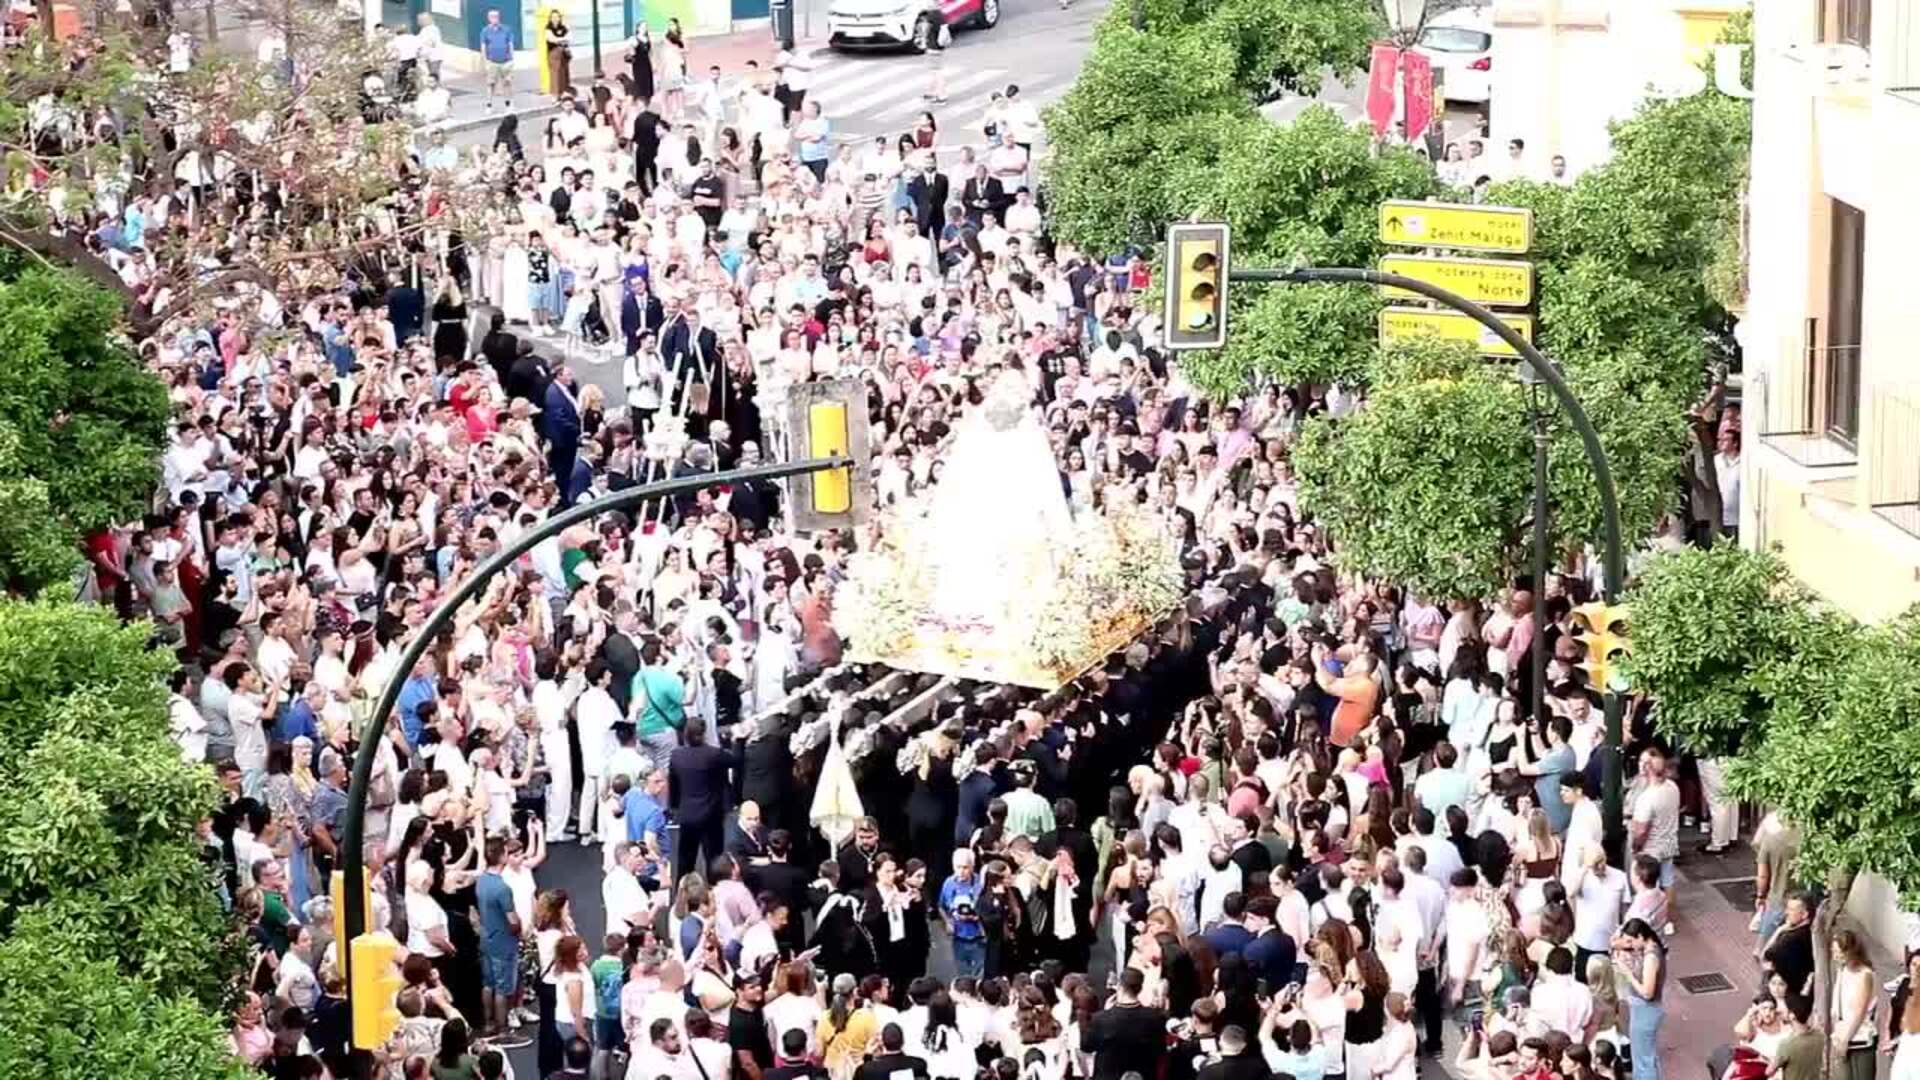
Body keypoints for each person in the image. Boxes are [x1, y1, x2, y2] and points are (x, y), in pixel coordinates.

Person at [1613, 918, 1666, 1080]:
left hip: (1646, 1009)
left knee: (1644, 1058)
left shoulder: (1651, 957)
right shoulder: (1649, 949)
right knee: (1644, 1055)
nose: (1630, 945)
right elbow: (1618, 942)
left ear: (1641, 936)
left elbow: (1647, 992)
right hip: (1644, 1009)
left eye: (1632, 941)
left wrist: (1627, 973)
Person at [544, 10, 572, 100]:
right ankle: (555, 95)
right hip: (553, 52)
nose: (555, 19)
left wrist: (561, 40)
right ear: (550, 19)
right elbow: (552, 39)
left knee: (564, 72)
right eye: (553, 17)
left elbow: (570, 37)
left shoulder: (563, 27)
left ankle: (564, 92)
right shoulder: (548, 28)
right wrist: (562, 39)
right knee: (555, 74)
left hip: (564, 52)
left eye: (557, 17)